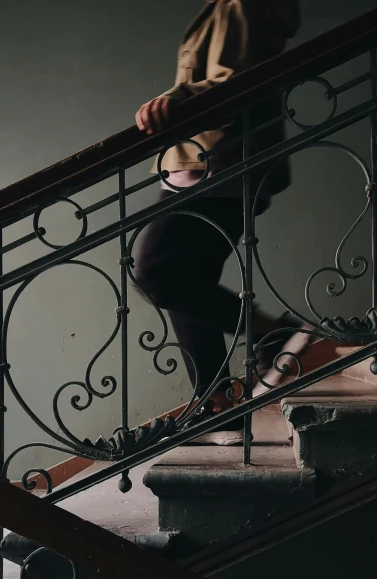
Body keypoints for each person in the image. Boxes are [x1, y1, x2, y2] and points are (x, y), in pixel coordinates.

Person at [132, 0, 309, 445]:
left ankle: (276, 334)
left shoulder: (239, 5)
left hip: (217, 167)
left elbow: (235, 84)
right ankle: (216, 406)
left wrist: (174, 99)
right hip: (200, 167)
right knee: (187, 287)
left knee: (156, 272)